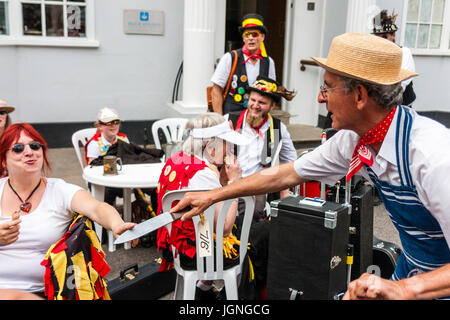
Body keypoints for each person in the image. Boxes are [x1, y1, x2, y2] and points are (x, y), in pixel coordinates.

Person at [171, 33, 450, 300]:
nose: (320, 98)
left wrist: (405, 290)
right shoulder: (352, 139)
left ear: (360, 96)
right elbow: (285, 173)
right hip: (411, 272)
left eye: (326, 87)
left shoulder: (432, 156)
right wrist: (213, 195)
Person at [0, 123, 135, 297]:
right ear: (3, 159)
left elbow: (97, 208)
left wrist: (117, 224)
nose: (29, 152)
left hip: (43, 291)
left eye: (35, 146)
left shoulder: (59, 191)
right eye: (18, 148)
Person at [155, 113, 269, 299]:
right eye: (226, 143)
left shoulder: (178, 160)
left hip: (180, 244)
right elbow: (225, 228)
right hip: (201, 251)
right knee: (265, 231)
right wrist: (233, 184)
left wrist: (221, 181)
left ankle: (203, 288)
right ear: (210, 147)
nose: (230, 150)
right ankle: (240, 295)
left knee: (255, 229)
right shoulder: (203, 174)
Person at [228, 76, 297, 220]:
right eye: (252, 100)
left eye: (262, 102)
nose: (255, 105)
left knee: (253, 214)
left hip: (257, 186)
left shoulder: (278, 128)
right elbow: (211, 155)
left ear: (272, 106)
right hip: (228, 183)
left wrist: (284, 190)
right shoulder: (229, 121)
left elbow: (291, 163)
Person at [210, 13, 276, 115]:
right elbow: (216, 90)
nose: (250, 38)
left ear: (262, 37)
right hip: (232, 117)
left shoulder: (268, 62)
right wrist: (220, 121)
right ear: (243, 38)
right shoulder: (230, 58)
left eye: (254, 34)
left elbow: (271, 93)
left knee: (276, 130)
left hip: (257, 119)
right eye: (247, 34)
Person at [372, 9, 416, 107]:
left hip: (402, 106)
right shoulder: (372, 55)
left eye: (384, 37)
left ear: (393, 35)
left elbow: (402, 83)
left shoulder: (404, 52)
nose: (381, 42)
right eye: (377, 38)